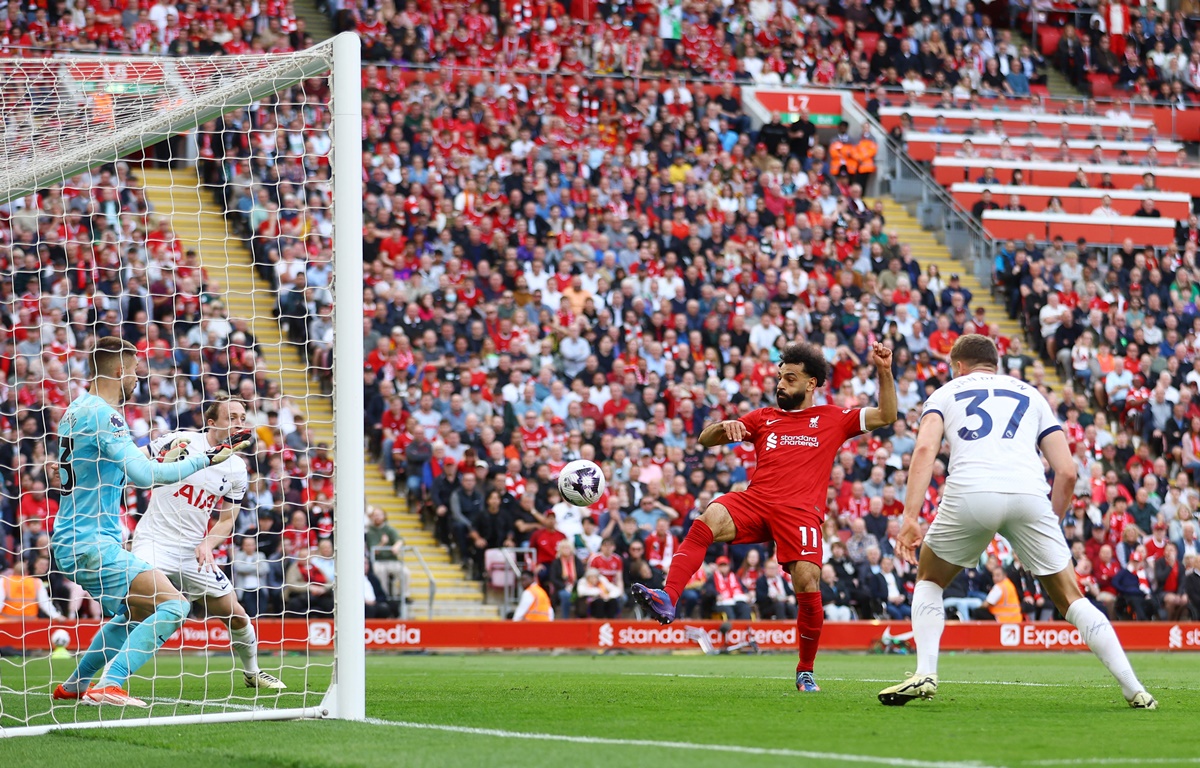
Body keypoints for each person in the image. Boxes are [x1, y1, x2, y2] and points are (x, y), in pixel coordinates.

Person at [878, 335, 1156, 709]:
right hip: (1029, 495)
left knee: (929, 579)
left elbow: (926, 449)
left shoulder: (945, 393)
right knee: (1072, 599)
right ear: (995, 363)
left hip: (971, 492)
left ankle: (926, 672)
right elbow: (1068, 471)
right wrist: (1049, 525)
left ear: (958, 365)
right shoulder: (1031, 394)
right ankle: (1133, 687)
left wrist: (910, 517)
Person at [633, 341, 897, 692]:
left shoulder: (833, 418)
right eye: (779, 377)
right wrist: (724, 426)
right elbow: (704, 439)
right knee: (710, 515)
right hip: (757, 501)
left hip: (800, 513)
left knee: (807, 583)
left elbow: (886, 415)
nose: (780, 385)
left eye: (790, 378)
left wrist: (884, 370)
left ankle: (805, 670)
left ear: (811, 384)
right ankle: (668, 596)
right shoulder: (763, 418)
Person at [50, 337, 245, 708]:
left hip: (75, 537)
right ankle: (111, 684)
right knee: (174, 606)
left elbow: (112, 470)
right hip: (92, 541)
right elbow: (142, 475)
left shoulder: (75, 410)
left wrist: (168, 461)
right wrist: (208, 460)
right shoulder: (105, 414)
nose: (138, 376)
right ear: (118, 368)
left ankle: (75, 685)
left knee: (131, 613)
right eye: (135, 368)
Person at [130, 394, 285, 690]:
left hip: (193, 551)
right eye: (232, 417)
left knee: (237, 616)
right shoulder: (182, 440)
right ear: (211, 423)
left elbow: (227, 519)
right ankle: (109, 679)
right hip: (154, 542)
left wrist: (207, 544)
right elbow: (136, 459)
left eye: (243, 417)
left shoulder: (238, 469)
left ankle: (253, 673)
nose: (240, 423)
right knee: (137, 613)